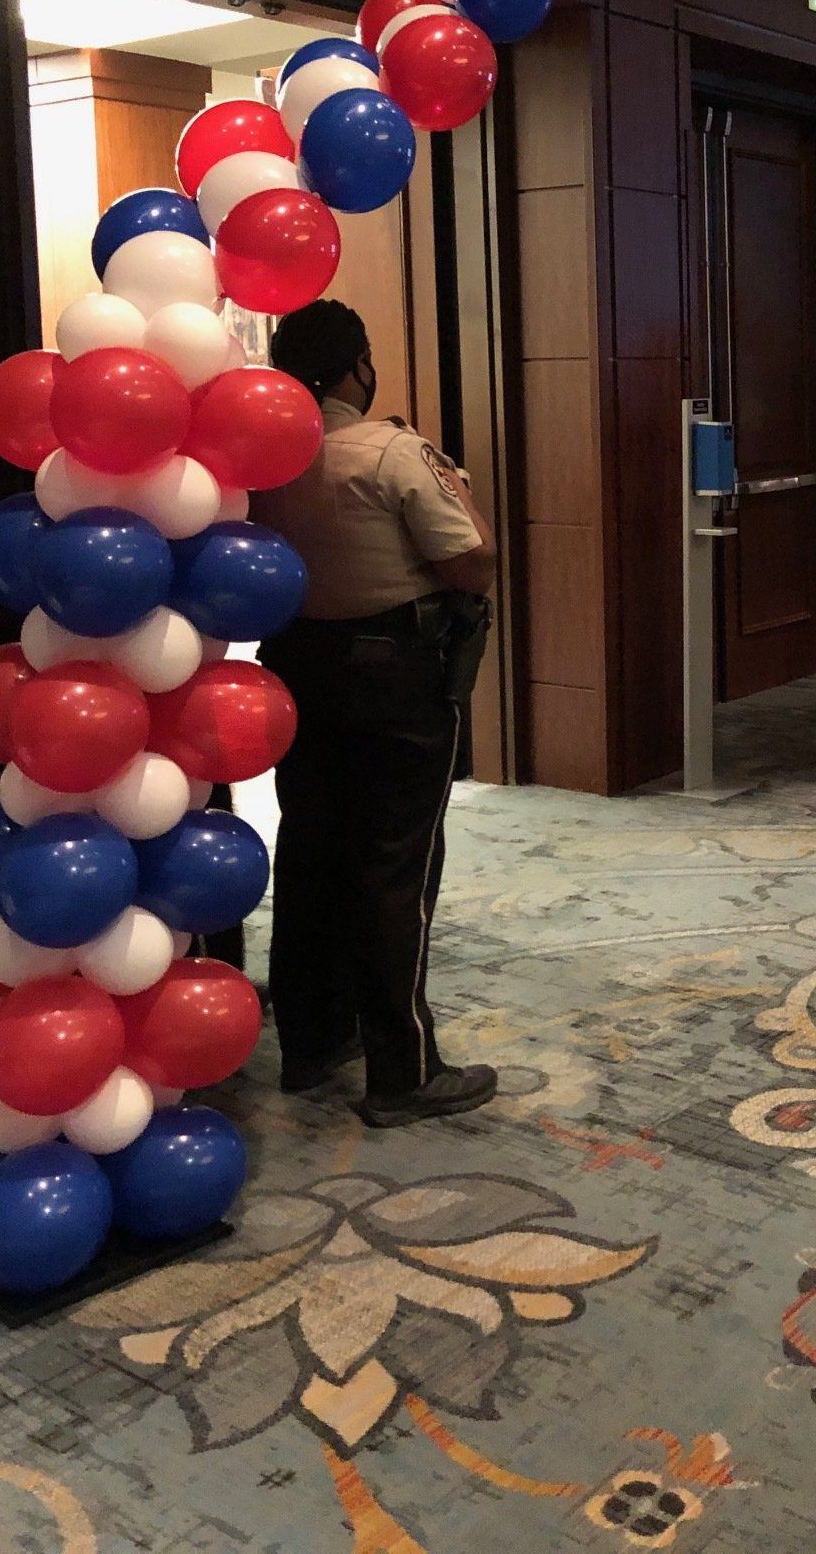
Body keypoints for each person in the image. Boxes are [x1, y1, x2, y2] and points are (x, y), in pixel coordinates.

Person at [252, 300, 499, 1127]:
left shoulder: (261, 458)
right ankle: (403, 1071)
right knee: (396, 864)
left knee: (313, 848)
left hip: (294, 672)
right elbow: (472, 561)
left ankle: (313, 1042)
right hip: (394, 679)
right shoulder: (392, 449)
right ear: (358, 367)